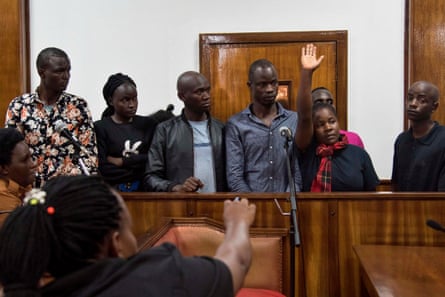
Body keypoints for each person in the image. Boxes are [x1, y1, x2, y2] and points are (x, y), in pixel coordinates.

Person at [0, 175, 256, 296]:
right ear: (115, 244)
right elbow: (236, 263)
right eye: (128, 228)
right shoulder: (157, 278)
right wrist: (237, 223)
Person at [4, 47, 98, 187]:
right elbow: (12, 155)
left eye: (68, 70)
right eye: (59, 71)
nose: (66, 76)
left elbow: (89, 154)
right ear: (42, 73)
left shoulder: (78, 106)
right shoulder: (20, 106)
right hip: (30, 191)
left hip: (67, 191)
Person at [295, 44, 379, 191]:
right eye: (320, 124)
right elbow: (304, 116)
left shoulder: (358, 154)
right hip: (312, 212)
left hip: (353, 214)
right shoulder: (306, 151)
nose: (328, 128)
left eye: (332, 122)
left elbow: (372, 195)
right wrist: (307, 73)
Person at [225, 59, 302, 192]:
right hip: (251, 205)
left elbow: (298, 169)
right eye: (262, 84)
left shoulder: (293, 119)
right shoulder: (236, 124)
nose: (270, 89)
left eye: (273, 83)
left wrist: (288, 199)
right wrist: (256, 204)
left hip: (288, 204)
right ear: (250, 86)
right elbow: (235, 175)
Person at [144, 71, 226, 192]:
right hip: (183, 205)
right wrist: (176, 187)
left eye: (207, 90)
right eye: (199, 92)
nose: (206, 96)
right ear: (182, 96)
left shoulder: (222, 128)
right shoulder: (165, 130)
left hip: (217, 204)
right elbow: (151, 177)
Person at [94, 73, 158, 191]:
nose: (132, 105)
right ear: (111, 101)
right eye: (125, 100)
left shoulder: (149, 125)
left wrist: (122, 161)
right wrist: (139, 168)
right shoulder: (100, 128)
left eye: (134, 99)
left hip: (146, 190)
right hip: (113, 190)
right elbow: (103, 168)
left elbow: (154, 159)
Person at [391, 80, 445, 191]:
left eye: (422, 100)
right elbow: (396, 184)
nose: (413, 104)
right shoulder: (402, 140)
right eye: (410, 98)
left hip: (434, 206)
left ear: (434, 107)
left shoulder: (442, 138)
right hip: (404, 206)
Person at [0, 128, 36, 225]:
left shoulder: (23, 184)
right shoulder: (3, 200)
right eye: (25, 160)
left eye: (30, 157)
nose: (33, 164)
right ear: (4, 168)